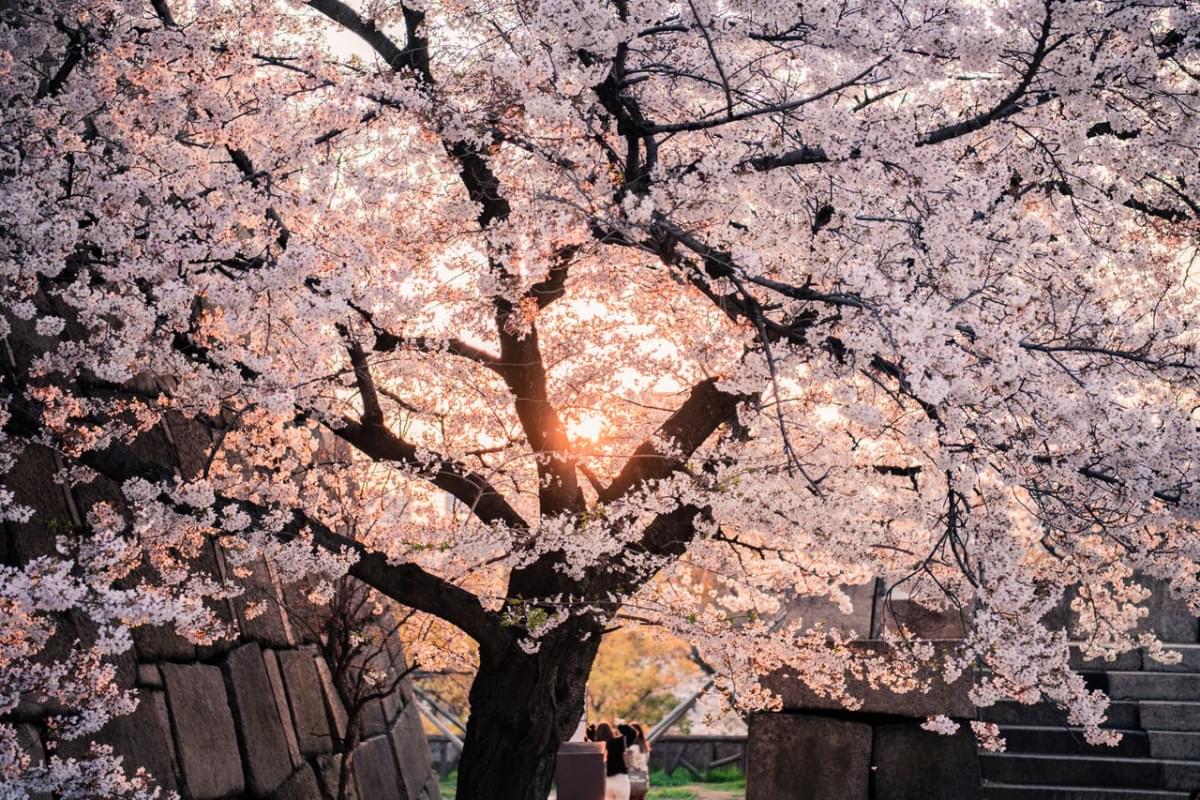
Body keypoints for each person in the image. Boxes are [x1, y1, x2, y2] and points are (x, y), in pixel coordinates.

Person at [591, 722, 630, 800]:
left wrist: (591, 727)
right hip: (620, 779)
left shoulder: (595, 746)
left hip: (604, 782)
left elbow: (589, 735)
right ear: (610, 731)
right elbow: (632, 734)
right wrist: (620, 725)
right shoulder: (618, 742)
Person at [619, 723, 650, 800]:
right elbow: (646, 761)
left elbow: (628, 763)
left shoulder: (630, 748)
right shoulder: (645, 747)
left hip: (631, 778)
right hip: (643, 778)